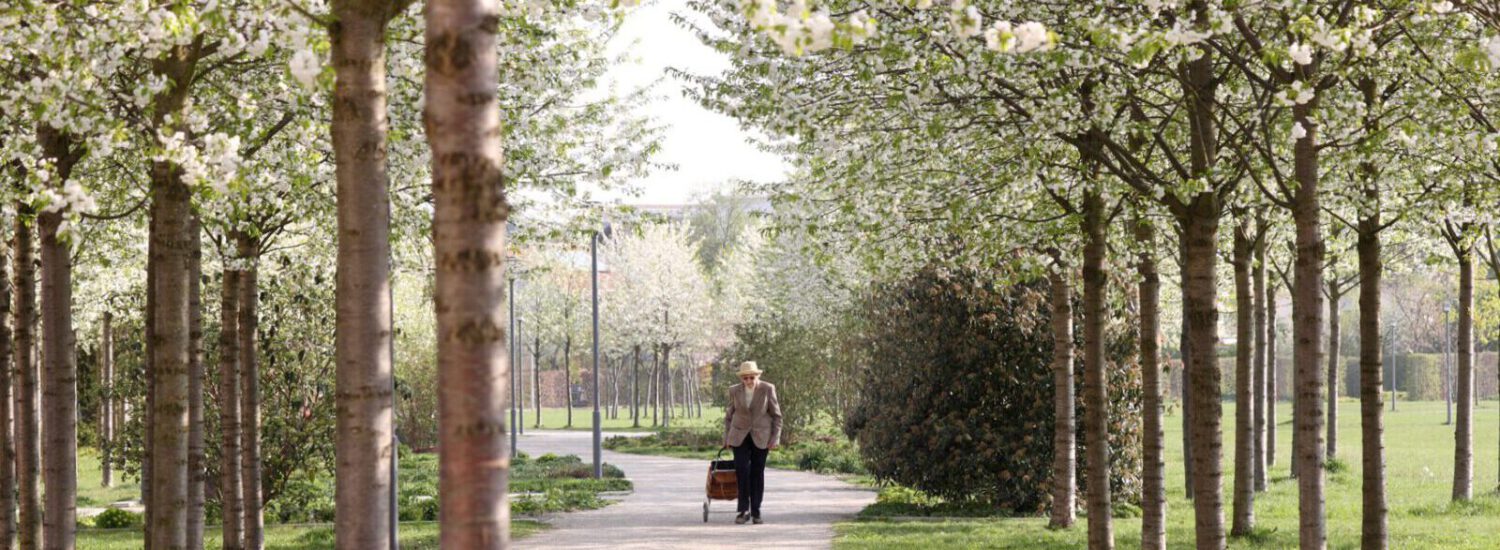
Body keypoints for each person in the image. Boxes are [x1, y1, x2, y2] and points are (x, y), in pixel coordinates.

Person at [722, 361, 782, 525]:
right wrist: (726, 438)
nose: (749, 381)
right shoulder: (734, 391)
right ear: (742, 378)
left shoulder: (768, 389)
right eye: (745, 378)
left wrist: (775, 438)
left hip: (761, 435)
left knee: (757, 472)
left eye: (752, 377)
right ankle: (743, 510)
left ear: (758, 376)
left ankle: (756, 511)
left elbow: (777, 416)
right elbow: (729, 416)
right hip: (739, 435)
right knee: (742, 470)